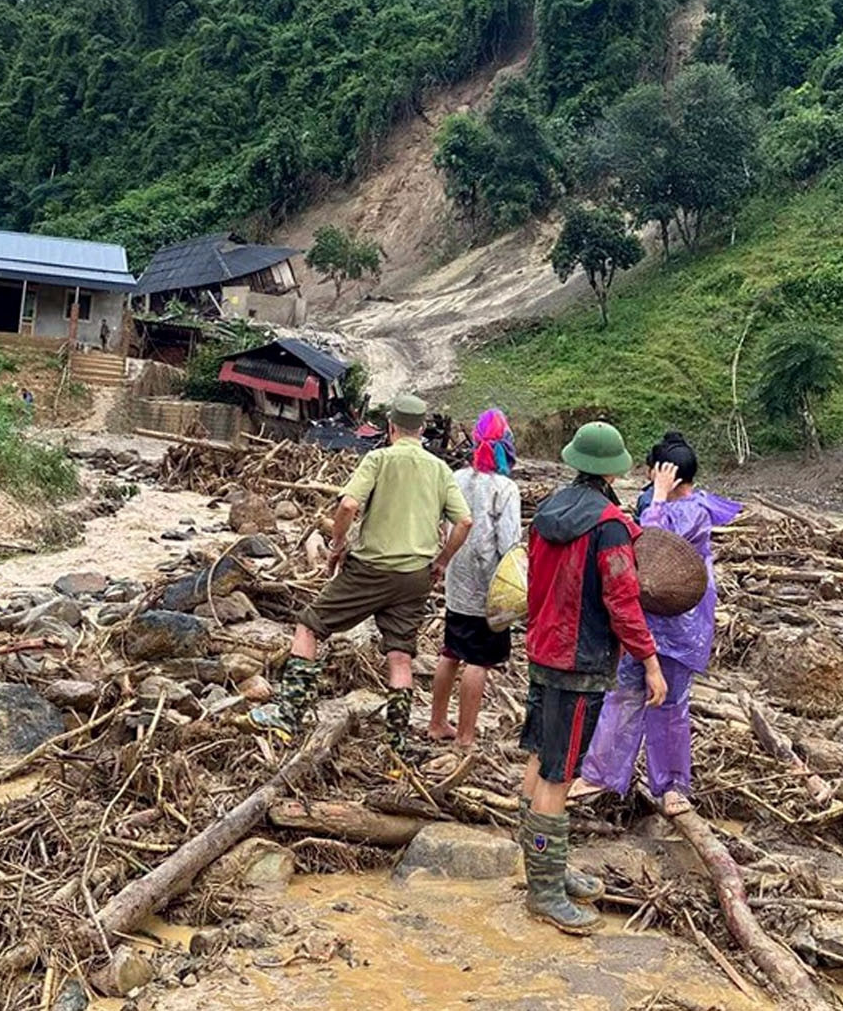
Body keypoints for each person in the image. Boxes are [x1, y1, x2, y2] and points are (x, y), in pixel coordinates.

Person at [251, 392, 473, 752]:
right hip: (415, 576)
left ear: (391, 428)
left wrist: (337, 546)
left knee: (309, 625)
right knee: (400, 655)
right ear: (420, 430)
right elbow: (464, 521)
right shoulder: (440, 469)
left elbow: (349, 504)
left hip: (370, 569)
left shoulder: (378, 458)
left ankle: (288, 714)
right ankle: (396, 741)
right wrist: (442, 561)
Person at [519, 421, 665, 935]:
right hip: (579, 662)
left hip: (542, 650)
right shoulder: (608, 526)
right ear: (615, 471)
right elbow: (622, 601)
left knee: (540, 756)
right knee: (560, 774)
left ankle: (549, 870)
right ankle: (543, 891)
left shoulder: (548, 512)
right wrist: (649, 660)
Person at [570, 431, 741, 815]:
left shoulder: (690, 511)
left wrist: (660, 495)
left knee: (669, 704)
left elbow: (651, 541)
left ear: (666, 474)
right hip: (650, 619)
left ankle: (670, 785)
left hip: (679, 624)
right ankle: (601, 775)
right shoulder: (680, 504)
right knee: (627, 694)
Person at [429, 409, 523, 750]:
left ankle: (437, 722)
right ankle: (466, 736)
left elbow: (443, 525)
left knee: (451, 651)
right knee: (479, 660)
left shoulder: (457, 477)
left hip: (457, 577)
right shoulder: (505, 488)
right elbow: (510, 543)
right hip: (490, 586)